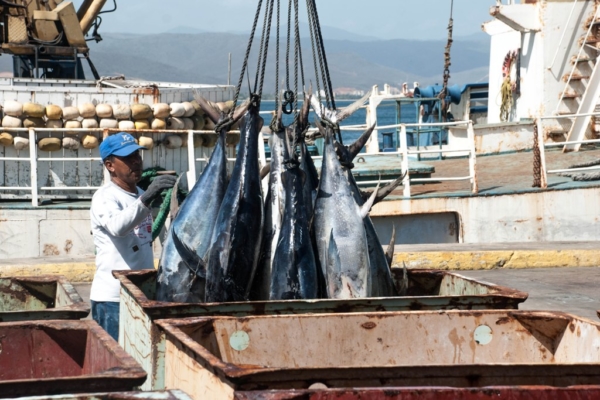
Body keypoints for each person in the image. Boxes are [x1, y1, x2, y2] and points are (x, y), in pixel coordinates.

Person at [90, 132, 176, 340]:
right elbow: (117, 227)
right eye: (128, 158)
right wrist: (147, 197)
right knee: (118, 365)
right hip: (113, 299)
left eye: (137, 156)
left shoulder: (138, 193)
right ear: (110, 165)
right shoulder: (105, 197)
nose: (136, 162)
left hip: (141, 295)